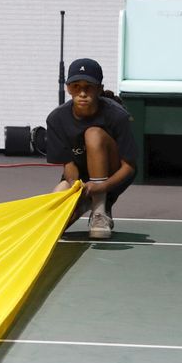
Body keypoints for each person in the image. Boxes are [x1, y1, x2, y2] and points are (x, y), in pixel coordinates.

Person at [46, 57, 138, 241]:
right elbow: (69, 164)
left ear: (100, 89)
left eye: (88, 86)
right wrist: (75, 188)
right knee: (51, 223)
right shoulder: (56, 119)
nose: (82, 93)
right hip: (82, 176)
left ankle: (99, 211)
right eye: (75, 86)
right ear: (68, 88)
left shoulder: (117, 116)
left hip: (112, 175)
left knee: (93, 134)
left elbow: (129, 167)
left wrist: (102, 186)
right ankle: (85, 201)